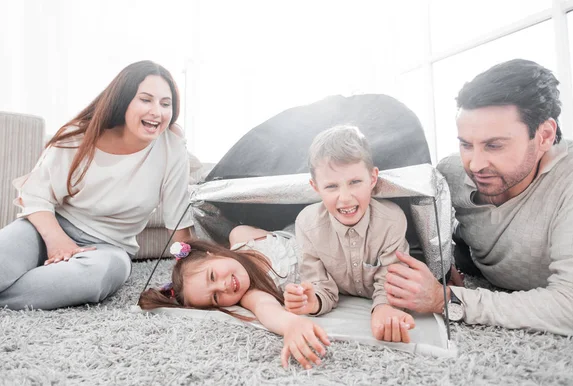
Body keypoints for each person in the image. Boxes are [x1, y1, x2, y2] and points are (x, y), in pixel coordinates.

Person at [384, 59, 573, 336]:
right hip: (480, 259)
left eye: (494, 145)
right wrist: (440, 260)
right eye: (465, 144)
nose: (474, 165)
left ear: (545, 135)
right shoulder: (450, 172)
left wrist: (446, 300)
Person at [0, 60, 194, 310]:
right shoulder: (79, 135)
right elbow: (35, 195)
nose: (157, 111)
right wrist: (58, 241)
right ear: (123, 100)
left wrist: (188, 267)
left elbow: (178, 220)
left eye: (165, 103)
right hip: (45, 227)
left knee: (98, 276)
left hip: (108, 248)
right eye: (146, 100)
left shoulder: (172, 147)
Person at [284, 125, 415, 343]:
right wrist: (312, 301)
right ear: (315, 187)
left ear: (373, 179)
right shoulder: (307, 224)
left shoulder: (392, 220)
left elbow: (391, 279)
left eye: (355, 182)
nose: (345, 198)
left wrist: (383, 308)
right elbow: (320, 285)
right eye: (331, 186)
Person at [138, 226, 331, 370]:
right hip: (335, 259)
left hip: (314, 228)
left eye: (212, 276)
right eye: (215, 297)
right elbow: (266, 309)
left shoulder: (241, 236)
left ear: (212, 254)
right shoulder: (251, 294)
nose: (223, 287)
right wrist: (290, 325)